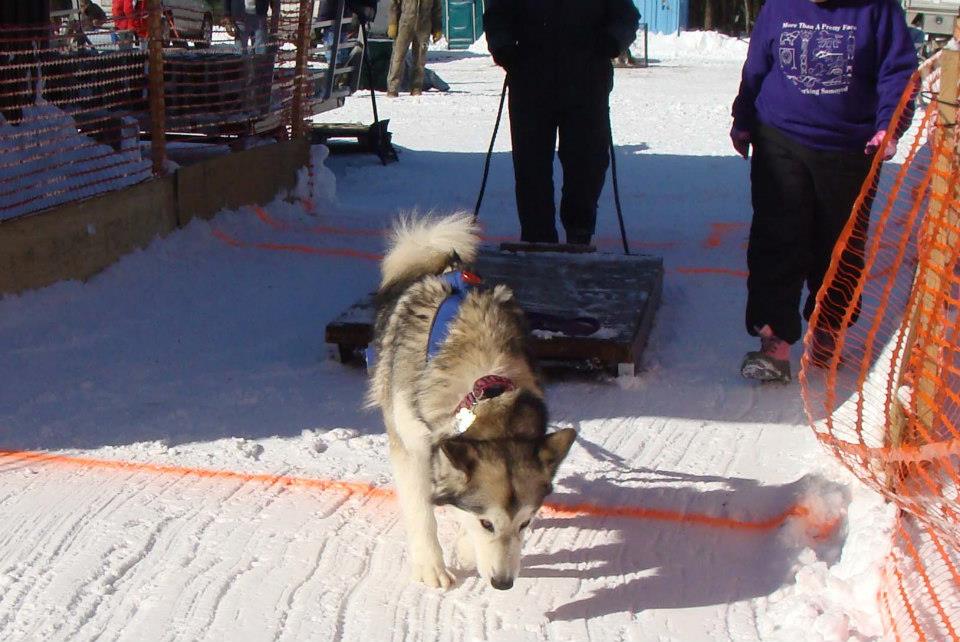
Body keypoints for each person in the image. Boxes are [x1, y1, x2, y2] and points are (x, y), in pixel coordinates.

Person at [731, 0, 916, 383]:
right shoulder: (780, 5)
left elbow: (897, 72)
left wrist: (890, 125)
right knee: (776, 238)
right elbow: (756, 67)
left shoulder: (877, 9)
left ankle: (829, 330)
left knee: (839, 244)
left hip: (851, 146)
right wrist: (743, 116)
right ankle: (775, 342)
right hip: (780, 135)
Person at [483, 0, 641, 246]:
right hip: (530, 78)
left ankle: (579, 233)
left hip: (586, 80)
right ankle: (537, 238)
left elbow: (626, 16)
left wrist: (613, 40)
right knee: (530, 165)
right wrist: (502, 46)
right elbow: (497, 14)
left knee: (586, 163)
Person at [386, 0, 442, 97]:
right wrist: (393, 23)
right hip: (404, 25)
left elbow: (436, 9)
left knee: (420, 59)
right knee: (398, 58)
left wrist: (437, 28)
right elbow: (394, 4)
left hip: (424, 26)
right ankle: (392, 88)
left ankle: (416, 87)